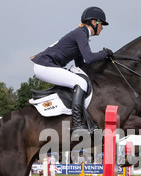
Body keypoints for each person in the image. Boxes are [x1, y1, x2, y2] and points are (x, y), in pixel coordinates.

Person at [31, 7, 113, 135]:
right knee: (81, 83)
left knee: (80, 78)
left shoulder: (82, 34)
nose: (102, 27)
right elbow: (90, 57)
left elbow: (81, 64)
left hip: (47, 65)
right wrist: (104, 53)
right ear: (94, 22)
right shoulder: (81, 33)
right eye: (101, 24)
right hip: (45, 66)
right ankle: (77, 125)